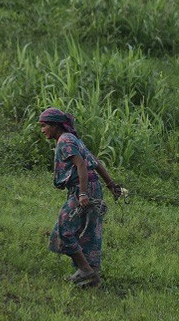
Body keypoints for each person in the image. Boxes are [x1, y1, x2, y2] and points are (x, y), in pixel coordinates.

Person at [38, 107, 122, 288]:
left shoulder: (65, 140)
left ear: (55, 125)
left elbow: (82, 165)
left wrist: (83, 193)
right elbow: (96, 162)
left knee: (64, 226)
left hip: (82, 190)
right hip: (91, 188)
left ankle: (85, 270)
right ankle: (92, 278)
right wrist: (111, 185)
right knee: (89, 231)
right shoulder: (73, 139)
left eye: (45, 126)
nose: (42, 130)